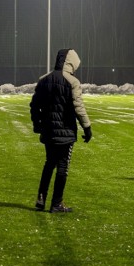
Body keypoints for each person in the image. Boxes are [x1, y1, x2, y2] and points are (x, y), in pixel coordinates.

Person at [30, 48, 92, 213]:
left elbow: (34, 105)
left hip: (49, 131)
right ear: (71, 63)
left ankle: (41, 200)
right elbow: (78, 107)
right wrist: (87, 127)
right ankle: (56, 203)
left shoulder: (43, 80)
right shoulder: (72, 82)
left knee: (49, 164)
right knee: (63, 166)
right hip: (66, 133)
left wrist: (37, 124)